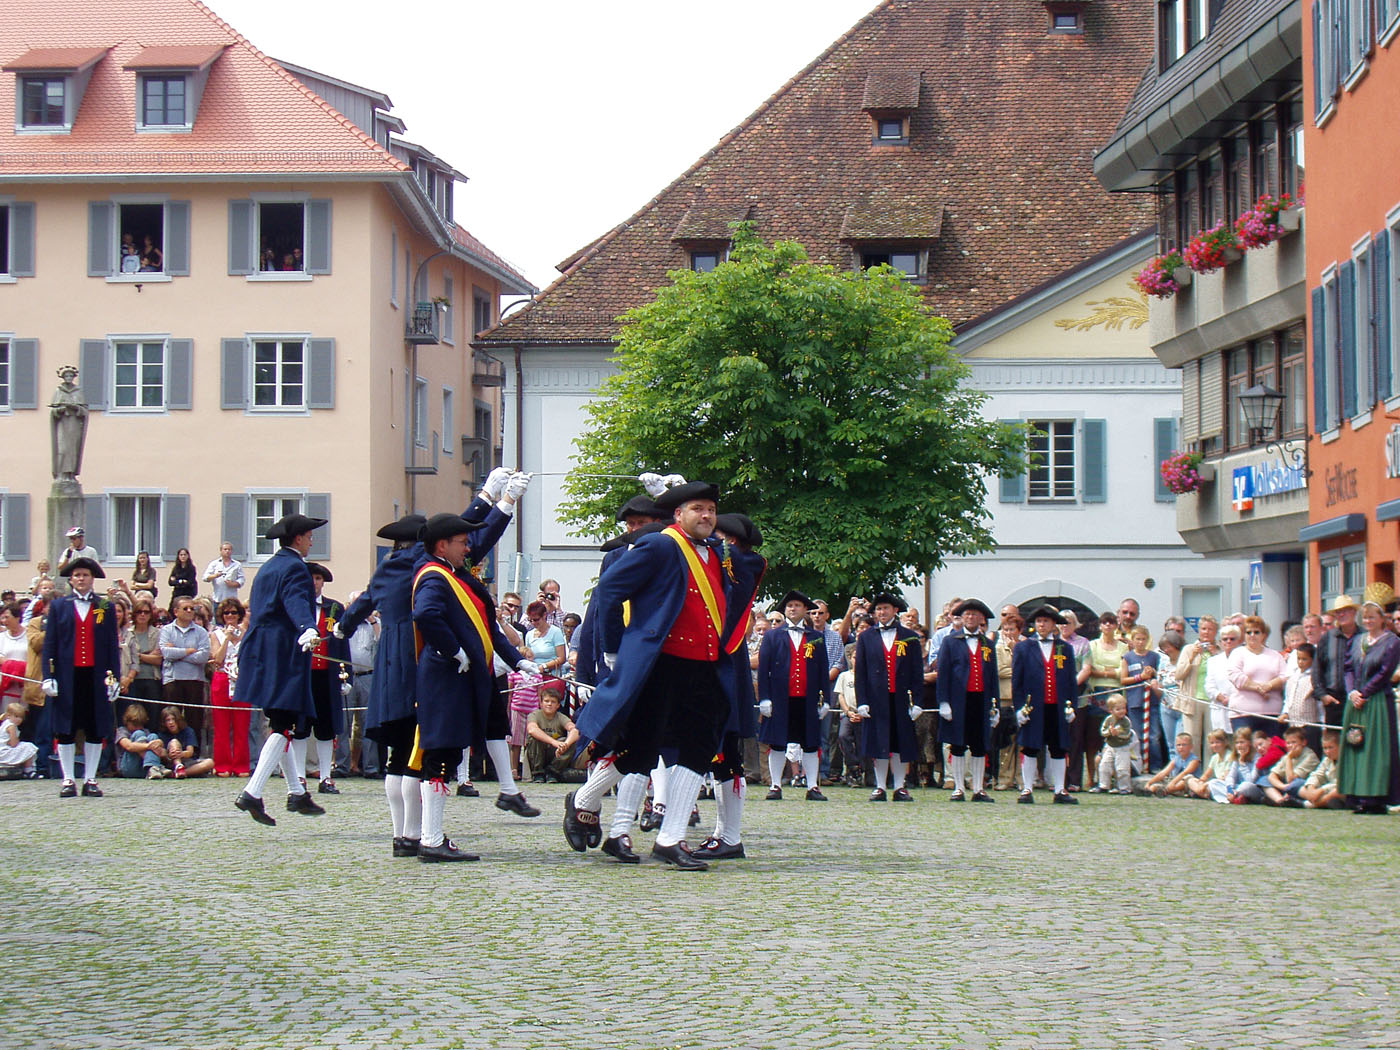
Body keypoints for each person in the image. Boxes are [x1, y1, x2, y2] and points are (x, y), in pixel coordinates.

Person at [566, 481, 762, 869]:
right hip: (661, 663)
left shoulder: (715, 553)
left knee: (699, 747)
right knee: (640, 748)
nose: (706, 516)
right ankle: (584, 800)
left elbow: (749, 560)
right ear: (678, 515)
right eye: (697, 509)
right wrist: (613, 646)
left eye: (710, 509)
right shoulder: (660, 544)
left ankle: (670, 839)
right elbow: (609, 590)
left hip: (706, 665)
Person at [410, 512, 537, 862]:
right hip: (446, 678)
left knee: (450, 752)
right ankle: (431, 839)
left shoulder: (457, 576)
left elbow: (488, 629)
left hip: (464, 678)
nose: (468, 547)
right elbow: (426, 615)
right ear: (442, 545)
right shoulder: (434, 577)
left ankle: (432, 837)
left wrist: (517, 660)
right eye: (462, 542)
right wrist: (452, 649)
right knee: (440, 754)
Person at [233, 514, 330, 826]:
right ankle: (252, 791)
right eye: (309, 536)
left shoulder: (268, 566)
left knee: (279, 721)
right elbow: (296, 602)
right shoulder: (294, 568)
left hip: (261, 649)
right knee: (285, 724)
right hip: (282, 652)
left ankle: (296, 792)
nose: (312, 540)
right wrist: (307, 627)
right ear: (298, 539)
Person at [41, 557, 122, 797]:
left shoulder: (103, 606)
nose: (81, 579)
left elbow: (110, 644)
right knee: (66, 728)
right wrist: (49, 676)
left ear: (92, 578)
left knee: (94, 727)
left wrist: (114, 678)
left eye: (85, 575)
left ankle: (90, 779)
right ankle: (67, 779)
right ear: (71, 579)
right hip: (67, 675)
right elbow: (50, 644)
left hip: (95, 675)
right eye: (77, 575)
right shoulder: (59, 606)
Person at [757, 590, 832, 802]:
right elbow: (764, 669)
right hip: (780, 699)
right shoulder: (773, 636)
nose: (793, 609)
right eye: (789, 606)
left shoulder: (816, 637)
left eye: (797, 605)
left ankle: (813, 786)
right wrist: (764, 698)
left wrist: (825, 699)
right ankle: (775, 785)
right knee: (777, 743)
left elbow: (822, 669)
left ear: (805, 609)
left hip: (807, 699)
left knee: (810, 743)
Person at [853, 592, 923, 802]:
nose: (882, 613)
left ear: (895, 611)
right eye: (878, 609)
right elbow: (861, 672)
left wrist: (917, 702)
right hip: (876, 699)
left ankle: (900, 786)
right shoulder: (866, 637)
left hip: (901, 697)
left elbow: (917, 672)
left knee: (900, 742)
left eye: (885, 608)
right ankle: (880, 786)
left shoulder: (910, 636)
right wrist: (862, 700)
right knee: (879, 743)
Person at [1336, 600, 1400, 814]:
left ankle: (1375, 797)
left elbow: (1385, 671)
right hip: (1356, 701)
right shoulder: (1357, 641)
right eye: (1365, 617)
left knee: (1375, 749)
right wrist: (1352, 691)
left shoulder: (1391, 642)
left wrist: (1365, 692)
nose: (1368, 621)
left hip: (1377, 700)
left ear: (1382, 619)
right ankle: (1356, 795)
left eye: (1373, 617)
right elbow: (1347, 668)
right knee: (1355, 746)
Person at [1011, 605, 1079, 804]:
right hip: (1033, 706)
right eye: (1039, 621)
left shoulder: (1064, 648)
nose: (1042, 624)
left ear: (1053, 625)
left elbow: (1070, 680)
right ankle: (1027, 788)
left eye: (1046, 621)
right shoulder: (1024, 647)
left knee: (1058, 747)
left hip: (1057, 706)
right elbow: (1017, 681)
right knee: (1030, 747)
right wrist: (1019, 708)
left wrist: (1071, 706)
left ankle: (1059, 790)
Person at [935, 598, 997, 802]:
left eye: (975, 614)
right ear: (961, 618)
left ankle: (978, 788)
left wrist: (994, 705)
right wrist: (943, 701)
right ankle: (959, 787)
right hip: (958, 701)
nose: (971, 618)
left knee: (979, 744)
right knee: (958, 744)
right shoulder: (950, 641)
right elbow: (943, 673)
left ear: (981, 618)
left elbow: (993, 676)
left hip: (981, 699)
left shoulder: (988, 643)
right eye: (967, 614)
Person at [301, 563, 351, 794]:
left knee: (326, 728)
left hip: (327, 675)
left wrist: (345, 675)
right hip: (302, 676)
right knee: (300, 727)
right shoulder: (297, 608)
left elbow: (341, 644)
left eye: (318, 578)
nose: (314, 583)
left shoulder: (335, 608)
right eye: (311, 578)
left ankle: (325, 776)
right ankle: (299, 777)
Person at [158, 596, 210, 743]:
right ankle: (172, 751)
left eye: (192, 608)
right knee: (171, 718)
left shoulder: (201, 632)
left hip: (195, 679)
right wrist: (189, 651)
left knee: (195, 719)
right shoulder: (167, 630)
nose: (189, 611)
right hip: (173, 679)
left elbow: (203, 657)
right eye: (185, 608)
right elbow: (167, 653)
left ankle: (194, 752)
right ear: (176, 611)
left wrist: (178, 653)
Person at [1226, 616, 1287, 734]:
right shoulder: (1238, 653)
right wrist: (1258, 688)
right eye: (1249, 632)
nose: (1252, 635)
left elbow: (1285, 676)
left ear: (1263, 635)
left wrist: (1269, 686)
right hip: (1242, 714)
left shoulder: (1275, 655)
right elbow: (1235, 675)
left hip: (1272, 714)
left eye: (1256, 632)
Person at [209, 598, 248, 777]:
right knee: (221, 725)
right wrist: (227, 639)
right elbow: (217, 659)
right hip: (222, 679)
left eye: (233, 613)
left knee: (242, 725)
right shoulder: (216, 634)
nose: (230, 616)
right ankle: (223, 764)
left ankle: (241, 765)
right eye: (227, 613)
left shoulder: (247, 633)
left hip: (241, 680)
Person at [1174, 615, 1219, 758]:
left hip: (1212, 701)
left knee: (1211, 739)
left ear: (1215, 631)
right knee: (1192, 739)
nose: (1206, 632)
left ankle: (1208, 774)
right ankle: (1192, 773)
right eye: (1203, 629)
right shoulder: (1188, 649)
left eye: (1210, 629)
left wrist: (1215, 655)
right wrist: (1192, 656)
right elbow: (1178, 674)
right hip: (1192, 700)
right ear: (1198, 630)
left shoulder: (1220, 651)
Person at [1119, 625, 1162, 772]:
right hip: (1135, 701)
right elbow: (1123, 680)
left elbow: (1160, 676)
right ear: (1133, 639)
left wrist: (1153, 673)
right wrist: (1140, 677)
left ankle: (1155, 766)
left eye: (1143, 639)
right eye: (1138, 639)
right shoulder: (1128, 657)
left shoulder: (1154, 657)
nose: (1141, 642)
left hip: (1152, 702)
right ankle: (1139, 765)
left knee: (1154, 736)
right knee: (1138, 735)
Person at [525, 682, 579, 783]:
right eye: (546, 701)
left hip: (555, 754)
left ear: (558, 705)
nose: (549, 704)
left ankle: (553, 771)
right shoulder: (534, 715)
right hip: (537, 753)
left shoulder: (561, 717)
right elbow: (532, 729)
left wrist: (565, 744)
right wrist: (553, 742)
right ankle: (538, 773)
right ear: (541, 703)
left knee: (570, 741)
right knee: (533, 738)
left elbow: (575, 730)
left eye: (553, 702)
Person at [1261, 725, 1319, 806]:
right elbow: (1272, 775)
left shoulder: (1309, 756)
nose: (1290, 746)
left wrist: (1289, 758)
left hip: (1301, 785)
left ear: (1303, 742)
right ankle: (1280, 800)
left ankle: (1289, 800)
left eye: (1294, 742)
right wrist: (1283, 786)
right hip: (1287, 786)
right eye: (1288, 743)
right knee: (1264, 779)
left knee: (1296, 784)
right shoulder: (1287, 756)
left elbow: (1290, 779)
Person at [1092, 694, 1134, 794]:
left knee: (1122, 768)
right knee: (1104, 765)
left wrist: (1118, 733)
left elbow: (1127, 734)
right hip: (1110, 746)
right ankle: (1104, 785)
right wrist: (1110, 732)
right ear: (1111, 710)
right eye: (1118, 709)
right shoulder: (1108, 720)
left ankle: (1125, 787)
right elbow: (1103, 732)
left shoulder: (1126, 721)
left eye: (1123, 708)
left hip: (1122, 747)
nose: (1122, 711)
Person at [1300, 729, 1345, 809]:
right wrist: (1311, 788)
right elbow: (1317, 775)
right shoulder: (1327, 760)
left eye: (1330, 747)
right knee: (1302, 787)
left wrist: (1322, 790)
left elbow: (1341, 784)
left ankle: (1313, 804)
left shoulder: (1347, 762)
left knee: (1336, 792)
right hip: (1325, 790)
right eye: (1325, 748)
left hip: (1338, 791)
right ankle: (1314, 801)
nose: (1327, 751)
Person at [1184, 728, 1234, 799]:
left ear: (1225, 742)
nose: (1214, 745)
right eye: (1212, 743)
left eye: (1217, 742)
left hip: (1224, 785)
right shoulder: (1214, 757)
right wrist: (1201, 781)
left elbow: (1225, 777)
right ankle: (1201, 792)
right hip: (1214, 784)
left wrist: (1206, 784)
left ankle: (1199, 793)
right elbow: (1206, 775)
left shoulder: (1230, 756)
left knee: (1212, 783)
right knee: (1191, 780)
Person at [0, 701, 39, 776]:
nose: (19, 719)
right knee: (29, 747)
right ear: (8, 715)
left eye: (21, 717)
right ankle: (28, 770)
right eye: (16, 716)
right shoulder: (12, 726)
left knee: (25, 745)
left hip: (3, 750)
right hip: (4, 752)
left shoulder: (5, 724)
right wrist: (17, 740)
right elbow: (14, 744)